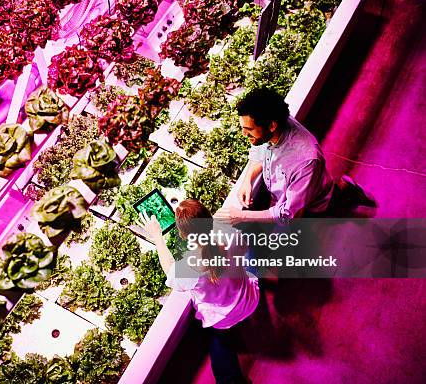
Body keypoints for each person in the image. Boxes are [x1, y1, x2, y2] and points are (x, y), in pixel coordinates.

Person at [139, 199, 259, 384]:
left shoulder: (190, 268)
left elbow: (170, 272)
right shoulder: (231, 235)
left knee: (219, 343)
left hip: (223, 317)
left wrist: (157, 237)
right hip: (249, 298)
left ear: (183, 235)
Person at [215, 87, 374, 226]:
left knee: (327, 211)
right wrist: (247, 181)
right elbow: (259, 151)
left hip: (311, 204)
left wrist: (241, 216)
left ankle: (347, 192)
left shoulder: (306, 160)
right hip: (295, 192)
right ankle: (342, 188)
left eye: (248, 129)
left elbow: (288, 213)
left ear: (272, 126)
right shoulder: (271, 125)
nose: (244, 134)